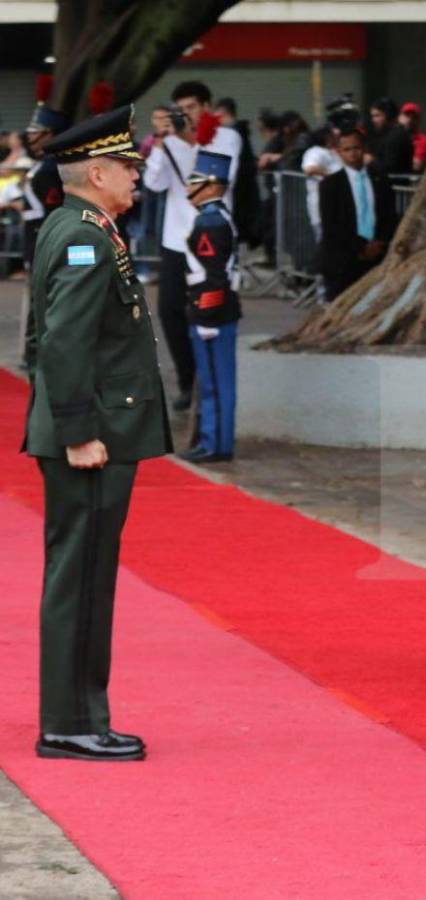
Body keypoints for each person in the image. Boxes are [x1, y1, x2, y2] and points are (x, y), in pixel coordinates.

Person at [22, 105, 172, 761]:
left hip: (93, 427)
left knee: (84, 573)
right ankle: (70, 722)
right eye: (130, 170)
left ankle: (78, 713)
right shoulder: (83, 236)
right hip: (91, 436)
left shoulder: (78, 226)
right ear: (100, 172)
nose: (137, 179)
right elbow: (62, 345)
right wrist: (80, 429)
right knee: (80, 578)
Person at [142, 80, 242, 413]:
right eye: (180, 109)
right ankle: (188, 378)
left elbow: (217, 176)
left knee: (207, 310)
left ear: (207, 106)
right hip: (175, 238)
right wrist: (160, 143)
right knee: (169, 310)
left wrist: (186, 140)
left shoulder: (227, 137)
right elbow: (154, 183)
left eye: (192, 108)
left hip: (211, 236)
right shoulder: (169, 141)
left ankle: (209, 383)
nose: (186, 115)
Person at [179, 151, 240, 464]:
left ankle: (214, 442)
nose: (189, 187)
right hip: (217, 308)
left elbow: (214, 275)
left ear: (213, 186)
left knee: (214, 381)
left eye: (196, 181)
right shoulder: (216, 216)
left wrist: (206, 316)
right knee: (217, 380)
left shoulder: (210, 221)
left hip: (212, 310)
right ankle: (217, 440)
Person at [19, 77, 70, 372]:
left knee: (43, 303)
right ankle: (32, 352)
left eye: (35, 131)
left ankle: (36, 352)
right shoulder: (42, 162)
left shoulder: (52, 167)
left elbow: (51, 211)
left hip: (42, 240)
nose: (30, 136)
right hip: (32, 237)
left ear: (49, 134)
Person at [317, 129, 398, 302]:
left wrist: (379, 243)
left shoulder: (380, 180)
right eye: (347, 149)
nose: (353, 153)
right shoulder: (330, 185)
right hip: (344, 259)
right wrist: (361, 247)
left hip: (377, 255)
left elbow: (389, 215)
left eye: (357, 148)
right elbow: (332, 224)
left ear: (364, 148)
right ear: (339, 153)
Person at [214, 97, 262, 247]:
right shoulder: (240, 132)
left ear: (223, 113)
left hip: (239, 189)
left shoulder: (234, 134)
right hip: (242, 188)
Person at [301, 125, 342, 242]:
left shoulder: (333, 152)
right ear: (328, 137)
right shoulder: (315, 152)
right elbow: (310, 169)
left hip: (337, 207)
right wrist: (333, 177)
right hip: (322, 207)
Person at [367, 98, 414, 177]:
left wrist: (370, 161)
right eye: (372, 116)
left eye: (377, 116)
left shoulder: (397, 136)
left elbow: (391, 168)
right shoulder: (384, 134)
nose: (373, 120)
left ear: (389, 115)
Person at [399, 102, 426, 172]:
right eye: (407, 115)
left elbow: (417, 166)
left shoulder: (423, 140)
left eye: (414, 117)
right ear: (399, 117)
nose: (410, 120)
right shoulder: (392, 137)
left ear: (419, 120)